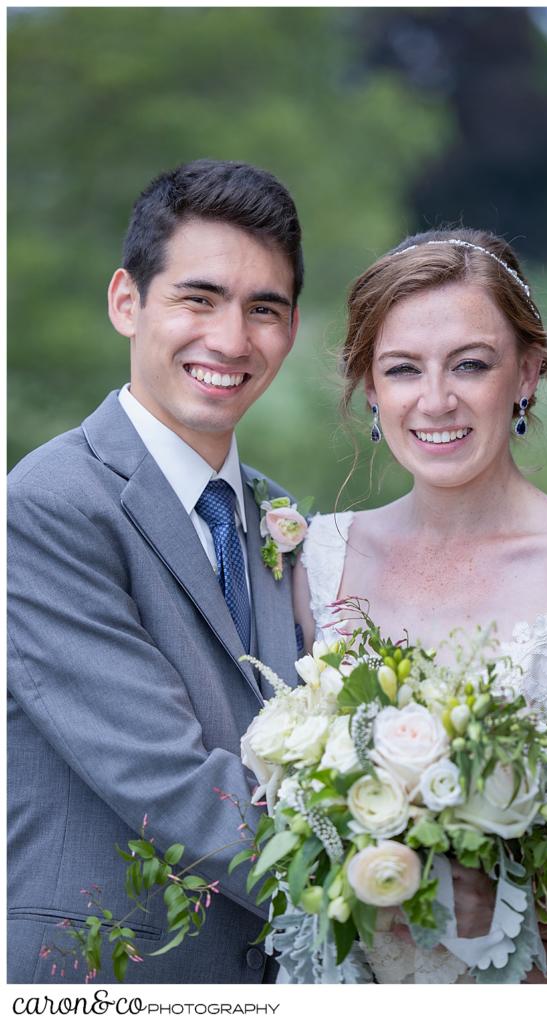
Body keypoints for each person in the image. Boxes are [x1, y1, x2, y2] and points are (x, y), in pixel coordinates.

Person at [293, 228, 547, 983]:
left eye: (470, 364)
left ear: (525, 373)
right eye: (401, 369)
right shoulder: (315, 561)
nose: (435, 400)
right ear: (370, 388)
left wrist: (530, 898)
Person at [7, 159, 305, 984]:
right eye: (198, 298)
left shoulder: (279, 517)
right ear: (126, 302)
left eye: (264, 310)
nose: (231, 339)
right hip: (106, 975)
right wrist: (388, 897)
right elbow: (162, 779)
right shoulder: (48, 502)